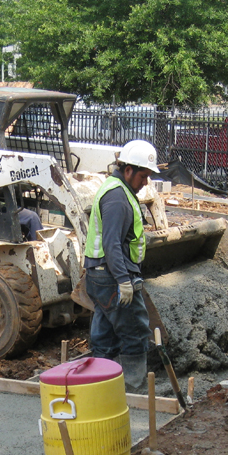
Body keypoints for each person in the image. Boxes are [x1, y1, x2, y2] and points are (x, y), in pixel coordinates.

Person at [83, 139, 160, 390]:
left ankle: (101, 387)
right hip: (112, 276)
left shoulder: (117, 189)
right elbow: (111, 243)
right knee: (135, 332)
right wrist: (124, 281)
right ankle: (134, 387)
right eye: (143, 176)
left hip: (100, 274)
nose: (145, 182)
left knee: (104, 334)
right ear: (128, 170)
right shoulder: (117, 197)